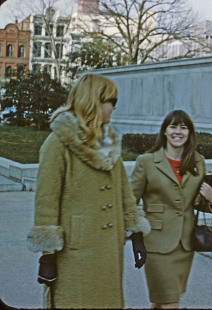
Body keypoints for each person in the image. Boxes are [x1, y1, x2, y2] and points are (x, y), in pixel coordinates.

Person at [26, 74, 151, 309]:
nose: (115, 106)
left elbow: (124, 191)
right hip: (75, 251)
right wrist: (48, 254)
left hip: (108, 249)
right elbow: (46, 202)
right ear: (92, 101)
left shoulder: (109, 142)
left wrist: (136, 234)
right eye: (110, 100)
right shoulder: (57, 143)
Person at [130, 109, 212, 309]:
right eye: (173, 126)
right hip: (156, 243)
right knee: (171, 302)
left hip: (185, 244)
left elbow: (197, 203)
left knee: (162, 301)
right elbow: (129, 200)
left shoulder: (198, 162)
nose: (178, 132)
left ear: (189, 133)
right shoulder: (146, 161)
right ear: (164, 131)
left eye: (183, 127)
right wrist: (136, 236)